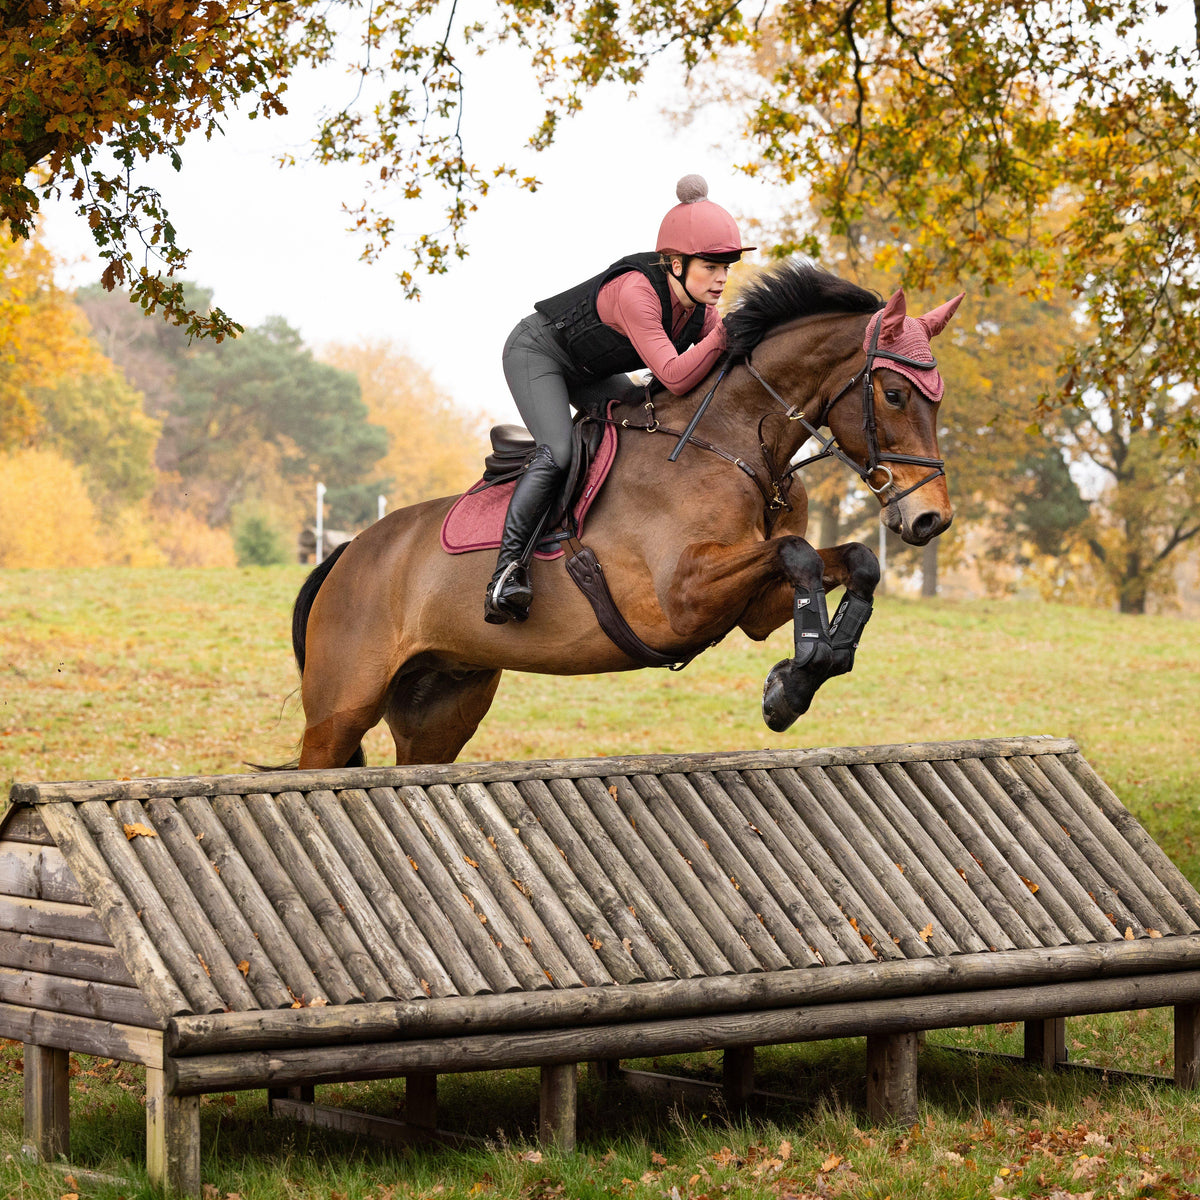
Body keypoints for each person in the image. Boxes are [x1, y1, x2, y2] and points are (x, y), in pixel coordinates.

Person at [484, 174, 755, 624]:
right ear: (675, 263)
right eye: (711, 266)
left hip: (590, 371)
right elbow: (675, 376)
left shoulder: (702, 311)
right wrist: (725, 334)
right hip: (537, 353)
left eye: (726, 267)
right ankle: (506, 573)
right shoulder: (636, 292)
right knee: (559, 451)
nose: (722, 279)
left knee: (646, 415)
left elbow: (716, 367)